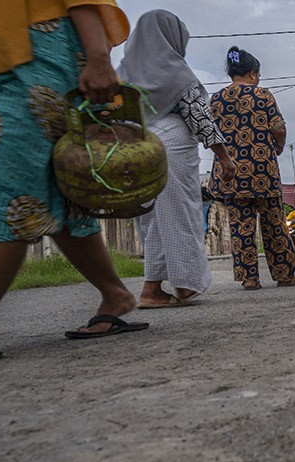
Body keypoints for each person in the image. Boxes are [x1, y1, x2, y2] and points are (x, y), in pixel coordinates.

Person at [0, 1, 146, 350]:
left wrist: (98, 57)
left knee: (10, 188)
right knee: (60, 191)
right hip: (5, 56)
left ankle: (114, 291)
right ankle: (114, 293)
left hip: (39, 50)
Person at [117, 10, 237, 309]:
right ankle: (184, 284)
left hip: (136, 152)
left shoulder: (122, 74)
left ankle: (152, 289)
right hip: (171, 150)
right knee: (179, 216)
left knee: (153, 221)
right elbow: (200, 119)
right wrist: (224, 158)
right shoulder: (176, 72)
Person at [210, 46, 295, 290]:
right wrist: (279, 146)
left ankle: (249, 278)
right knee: (274, 225)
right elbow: (279, 127)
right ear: (253, 73)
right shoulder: (263, 95)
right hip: (263, 171)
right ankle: (284, 275)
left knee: (240, 227)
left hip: (231, 173)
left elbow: (210, 133)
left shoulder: (217, 99)